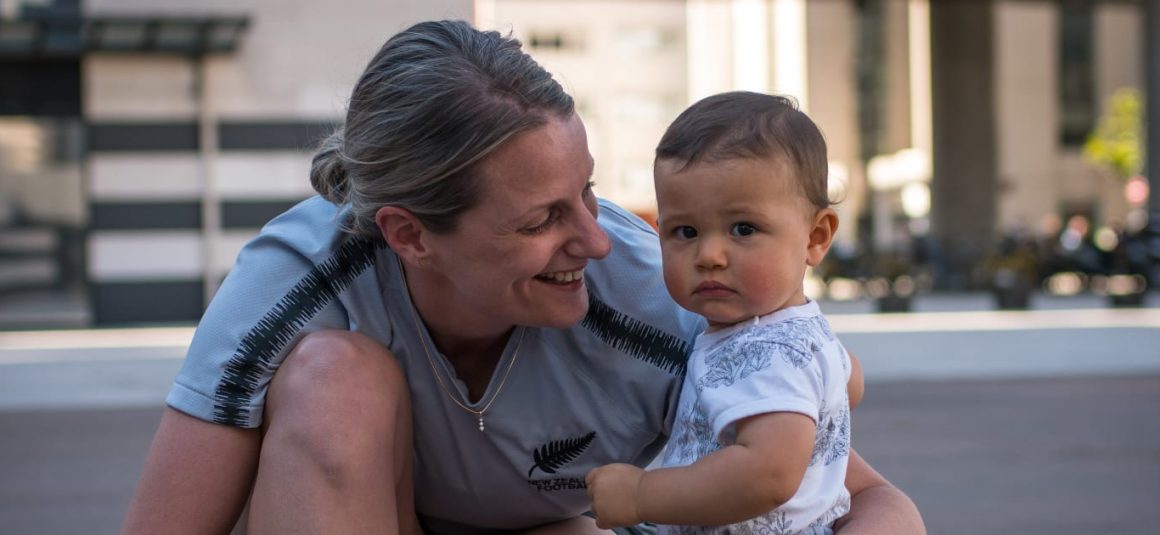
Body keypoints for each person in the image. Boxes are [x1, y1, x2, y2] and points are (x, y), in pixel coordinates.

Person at [121, 20, 923, 535]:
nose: (595, 241)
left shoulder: (667, 298)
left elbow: (873, 502)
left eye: (588, 192)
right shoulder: (298, 282)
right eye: (542, 219)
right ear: (410, 234)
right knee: (337, 376)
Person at [586, 92, 864, 534]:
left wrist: (640, 494)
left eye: (743, 229)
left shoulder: (764, 349)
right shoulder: (797, 330)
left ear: (815, 237)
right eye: (686, 231)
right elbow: (852, 382)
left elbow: (767, 475)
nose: (709, 255)